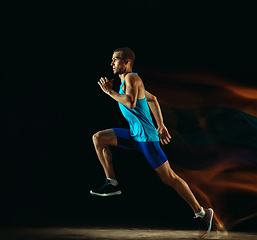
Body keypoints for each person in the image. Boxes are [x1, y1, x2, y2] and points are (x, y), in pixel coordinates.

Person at [90, 47, 214, 238]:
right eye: (112, 60)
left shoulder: (132, 78)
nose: (112, 63)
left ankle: (202, 213)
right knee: (99, 138)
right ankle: (112, 182)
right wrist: (161, 125)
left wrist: (109, 92)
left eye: (116, 59)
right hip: (134, 135)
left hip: (146, 139)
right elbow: (153, 99)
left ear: (127, 62)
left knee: (169, 178)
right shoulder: (126, 81)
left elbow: (130, 103)